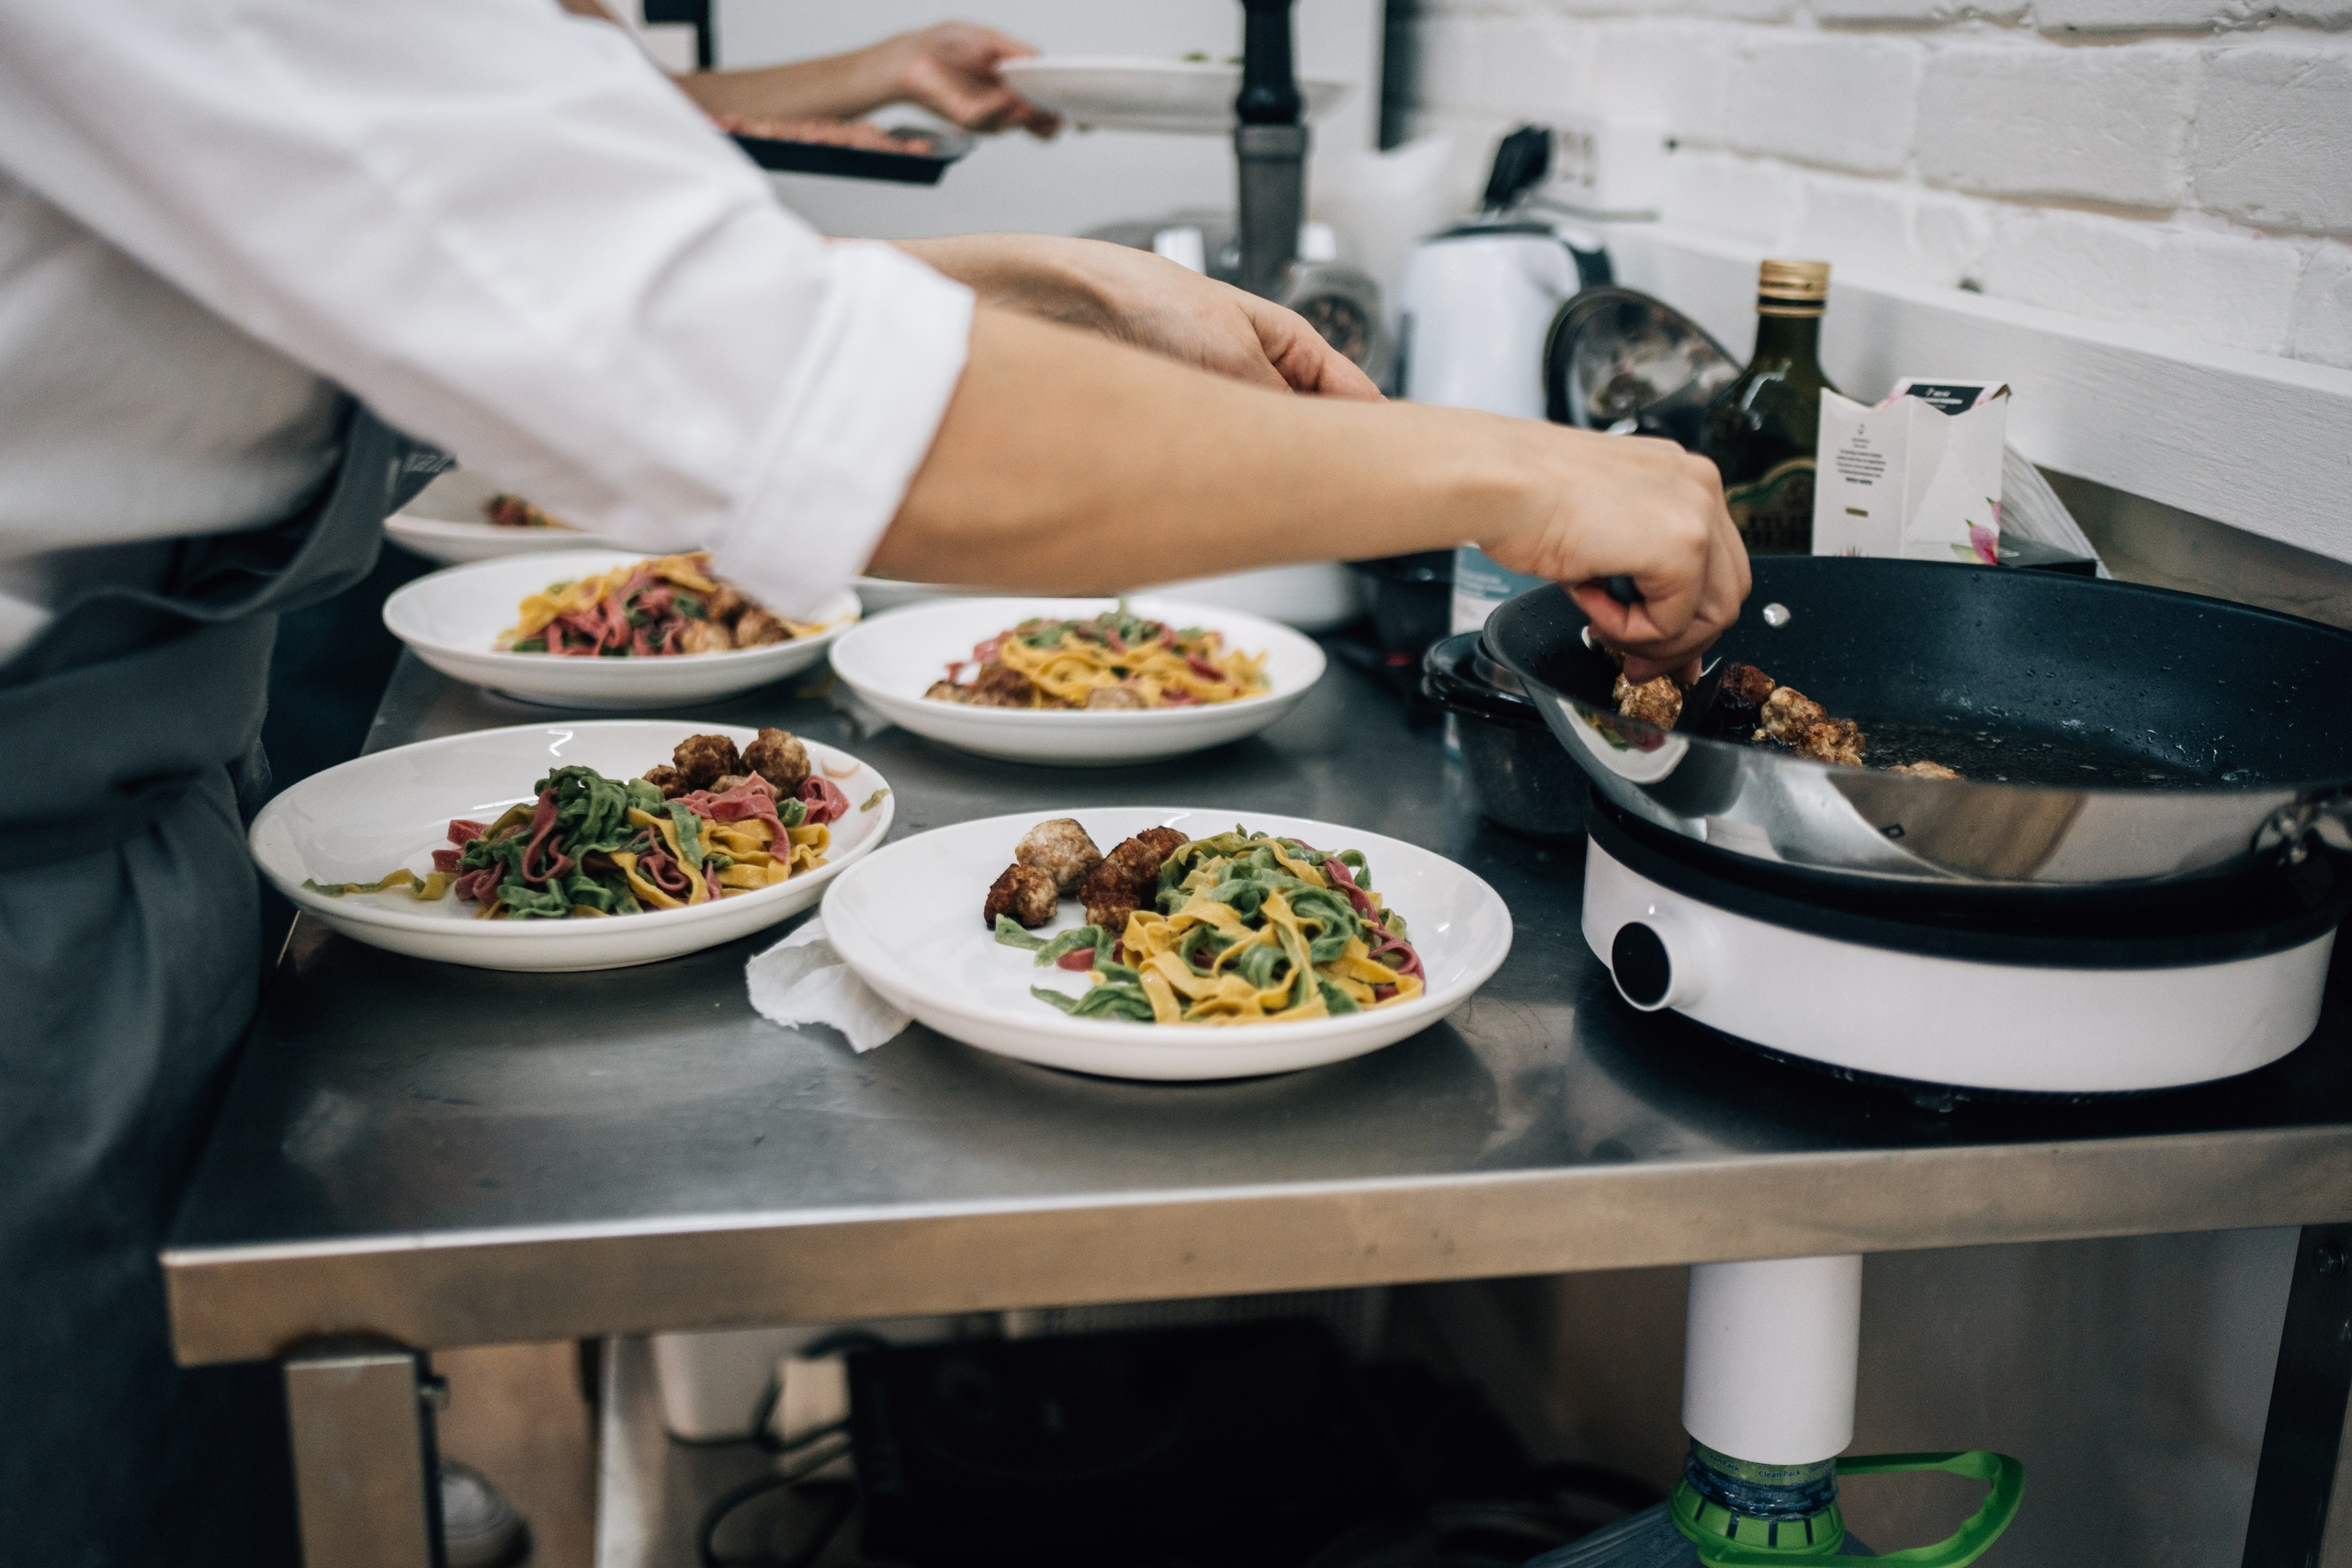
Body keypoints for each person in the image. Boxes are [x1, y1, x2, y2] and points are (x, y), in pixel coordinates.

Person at [0, 1, 1744, 1563]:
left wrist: (1045, 289)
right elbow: (816, 416)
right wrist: (1514, 473)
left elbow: (531, 272)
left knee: (194, 1460)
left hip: (132, 779)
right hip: (35, 887)